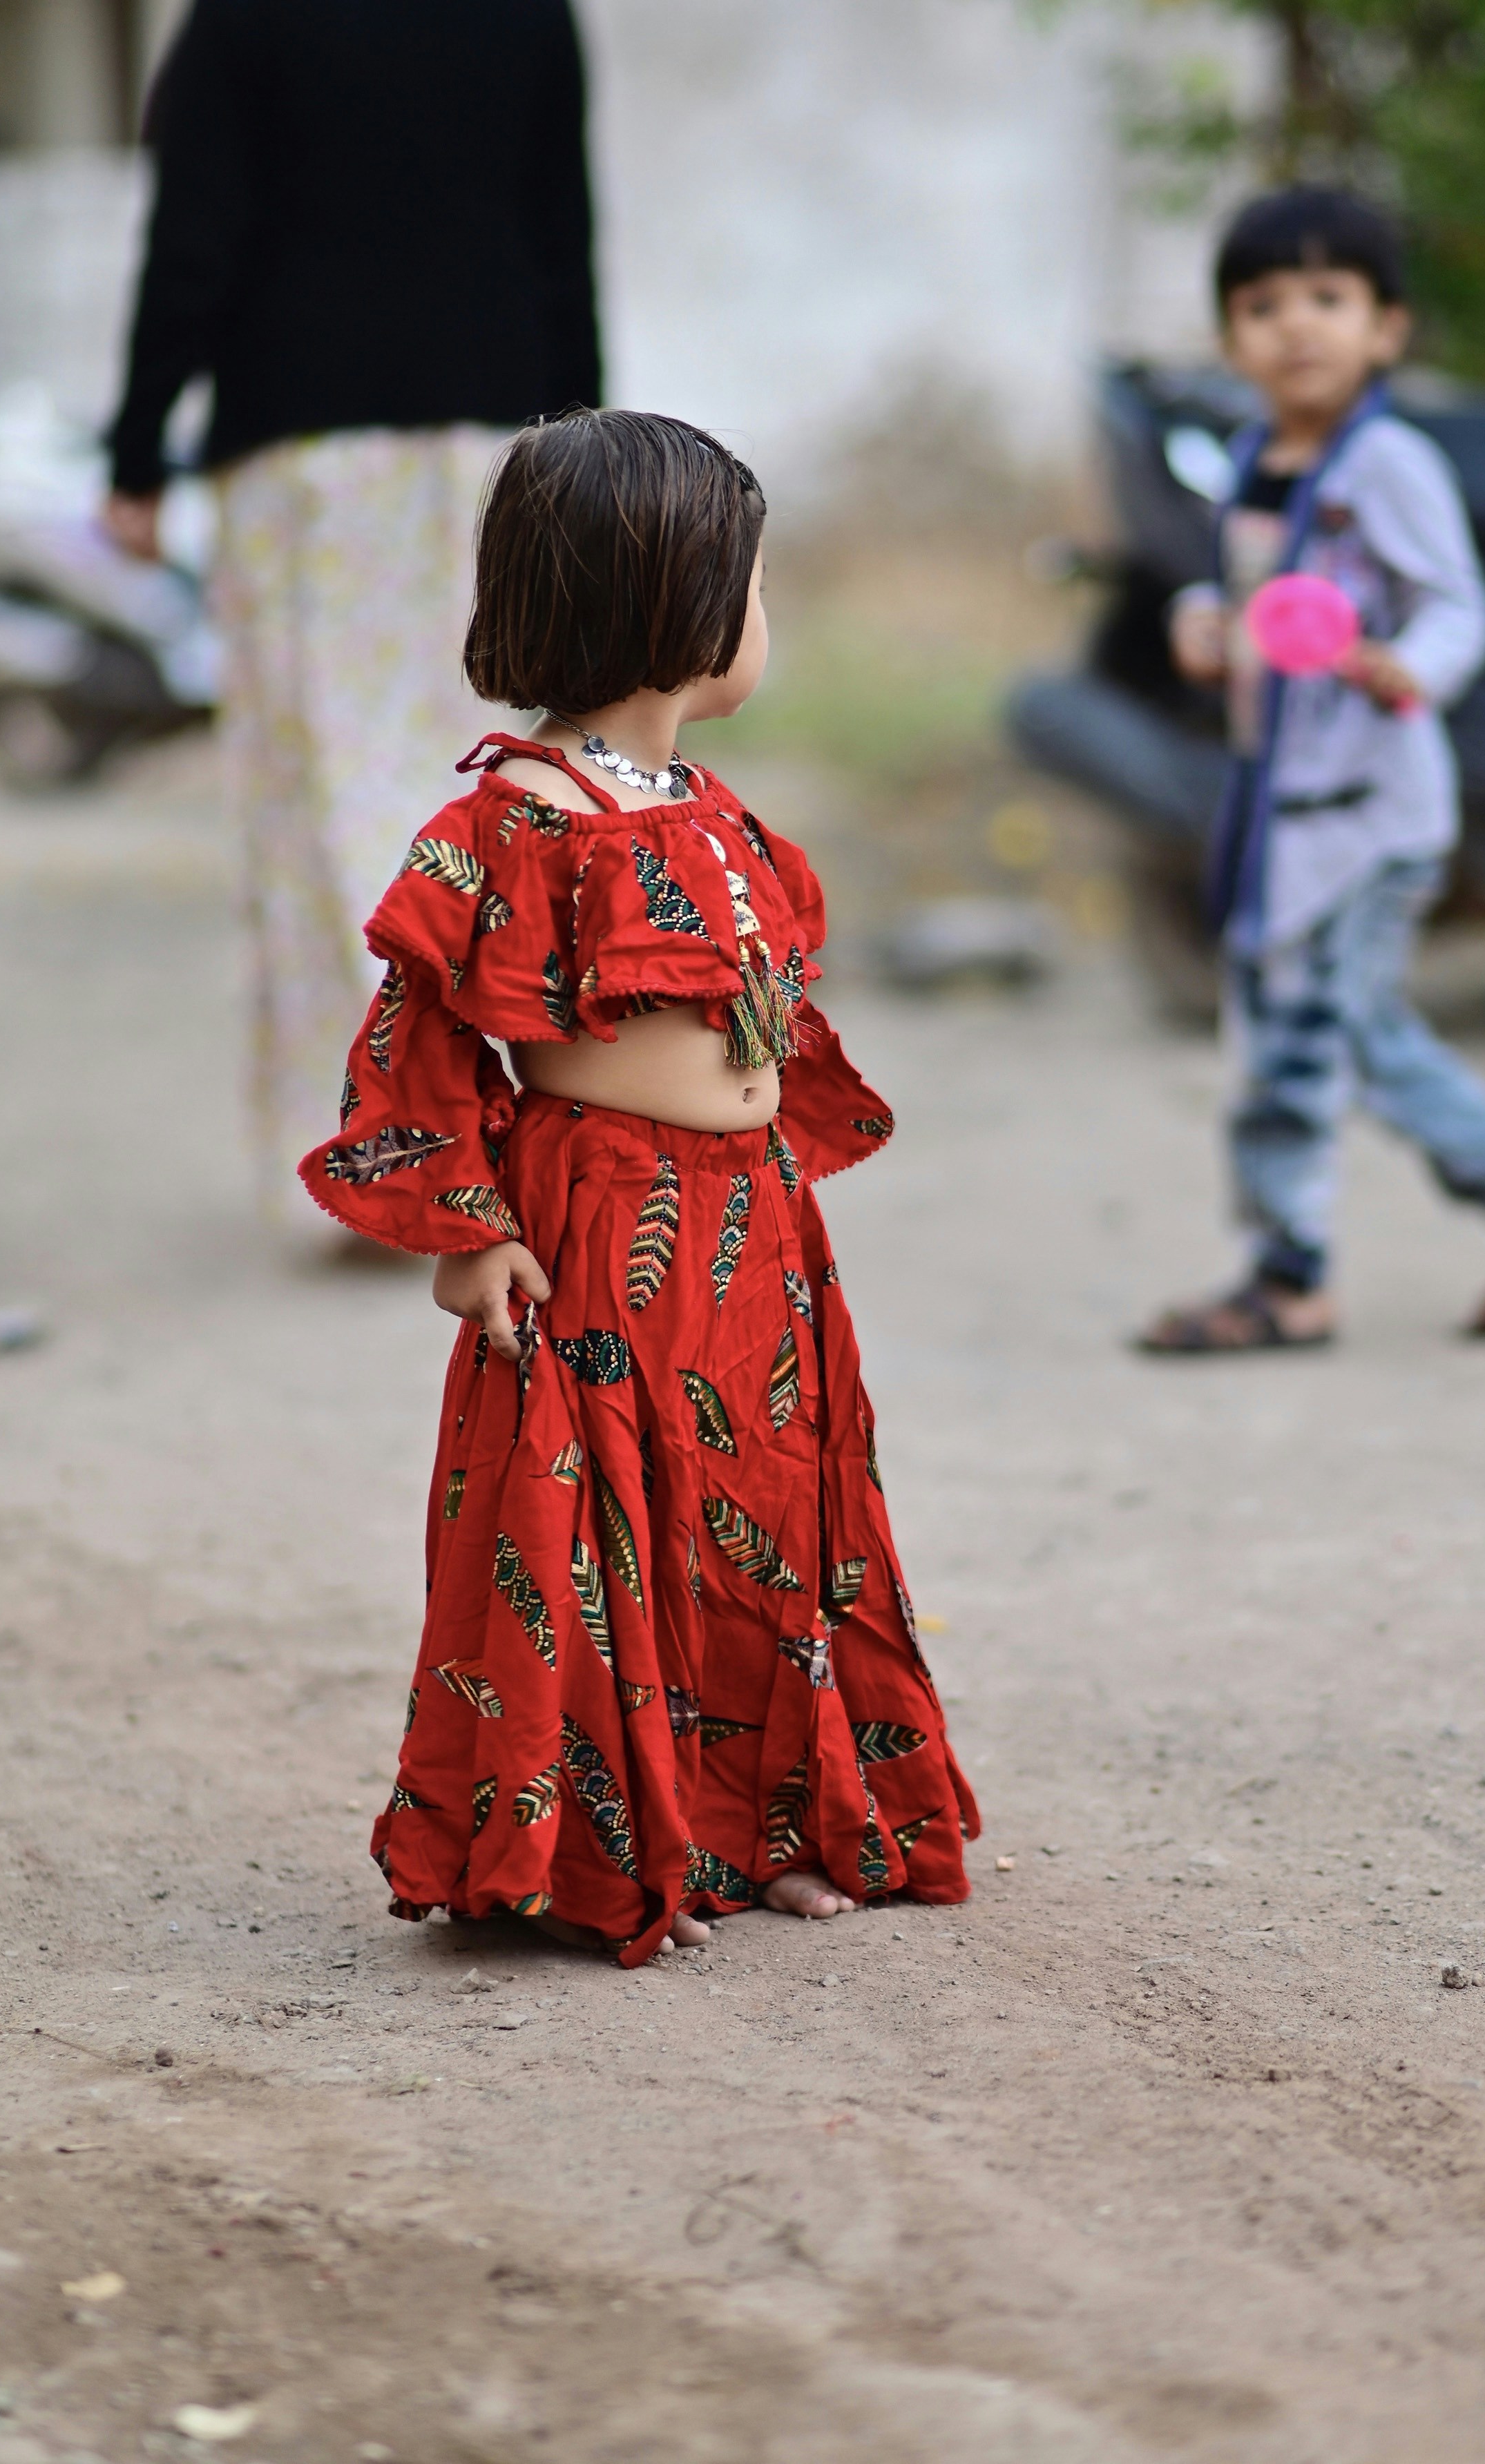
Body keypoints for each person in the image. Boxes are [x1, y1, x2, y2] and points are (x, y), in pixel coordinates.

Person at [296, 410, 977, 1963]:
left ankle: (758, 1827)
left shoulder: (717, 817)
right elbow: (415, 1036)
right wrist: (465, 1234)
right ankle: (615, 1846)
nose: (762, 617)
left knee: (759, 1518)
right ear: (675, 607)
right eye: (753, 585)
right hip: (597, 1223)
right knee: (610, 1525)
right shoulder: (511, 824)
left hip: (752, 1230)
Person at [103, 0, 600, 1238]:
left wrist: (136, 451)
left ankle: (386, 1161)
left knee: (327, 797)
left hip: (302, 465)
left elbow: (193, 244)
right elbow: (565, 251)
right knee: (489, 789)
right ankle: (527, 1133)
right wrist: (587, 462)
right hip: (491, 458)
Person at [1140, 186, 1485, 1352]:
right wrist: (1203, 620)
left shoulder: (1393, 465)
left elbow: (1457, 609)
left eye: (1329, 297)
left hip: (1367, 816)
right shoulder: (1254, 458)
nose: (1297, 325)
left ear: (1388, 329)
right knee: (1342, 1038)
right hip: (1287, 813)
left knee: (1304, 1050)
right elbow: (1260, 599)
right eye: (1264, 304)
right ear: (1229, 339)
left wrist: (1409, 667)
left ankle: (1289, 1275)